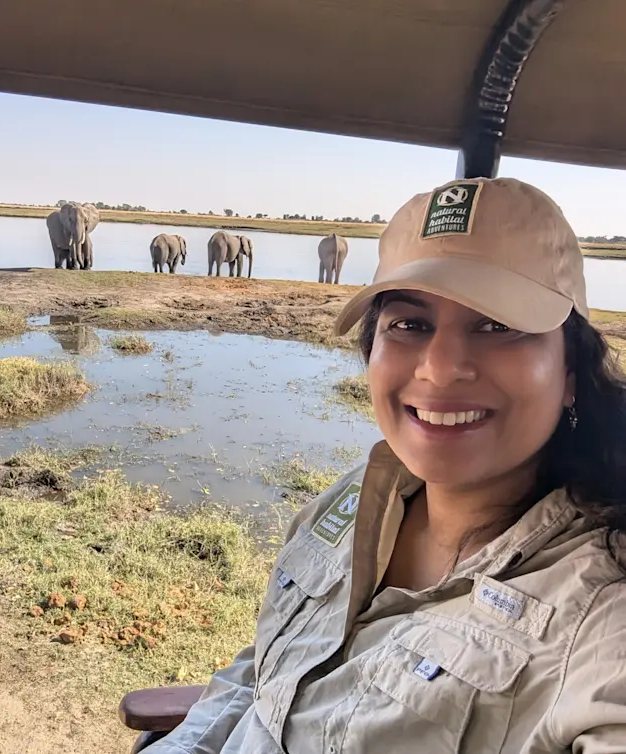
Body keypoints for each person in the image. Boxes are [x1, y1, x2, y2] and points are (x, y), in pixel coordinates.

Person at [143, 177, 626, 753]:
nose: (440, 369)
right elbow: (262, 677)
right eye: (409, 324)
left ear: (571, 372)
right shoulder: (354, 499)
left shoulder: (603, 617)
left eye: (498, 326)